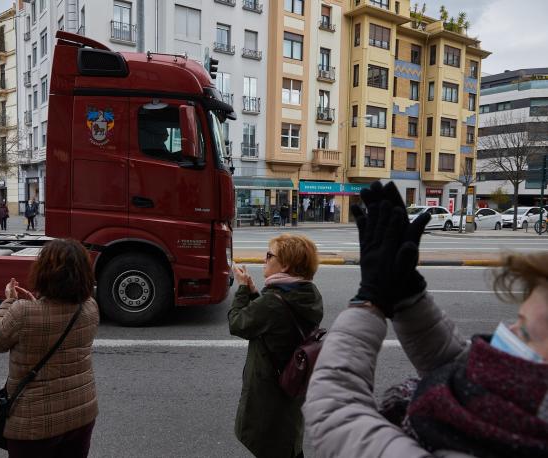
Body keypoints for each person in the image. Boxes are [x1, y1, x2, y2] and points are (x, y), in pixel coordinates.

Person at [302, 181, 548, 457]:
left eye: (525, 333)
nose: (510, 329)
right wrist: (408, 296)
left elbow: (335, 410)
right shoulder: (511, 421)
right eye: (517, 319)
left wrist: (368, 301)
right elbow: (467, 381)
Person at [0, 239, 100, 458]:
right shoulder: (90, 307)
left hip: (34, 424)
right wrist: (34, 303)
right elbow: (55, 319)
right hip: (81, 414)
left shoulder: (23, 313)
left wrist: (9, 303)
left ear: (44, 272)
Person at [229, 234, 324, 458]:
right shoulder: (308, 294)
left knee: (271, 444)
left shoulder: (274, 301)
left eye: (270, 255)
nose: (264, 259)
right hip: (291, 386)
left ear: (286, 264)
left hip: (270, 391)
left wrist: (243, 290)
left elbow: (237, 323)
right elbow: (273, 325)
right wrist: (254, 293)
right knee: (287, 441)